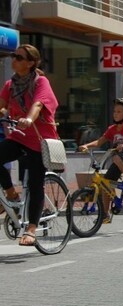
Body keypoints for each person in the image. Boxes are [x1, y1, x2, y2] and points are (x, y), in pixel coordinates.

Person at [0, 44, 59, 246]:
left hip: (39, 139)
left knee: (35, 183)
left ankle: (32, 229)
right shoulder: (11, 84)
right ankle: (11, 194)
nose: (13, 59)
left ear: (31, 63)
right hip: (19, 136)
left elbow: (38, 104)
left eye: (18, 57)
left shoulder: (40, 81)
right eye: (13, 56)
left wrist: (30, 119)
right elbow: (2, 105)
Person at [78, 97, 123, 224]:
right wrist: (86, 145)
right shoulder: (112, 129)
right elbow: (99, 142)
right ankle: (105, 215)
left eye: (119, 111)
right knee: (106, 184)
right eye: (114, 111)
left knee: (116, 157)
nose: (116, 114)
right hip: (119, 159)